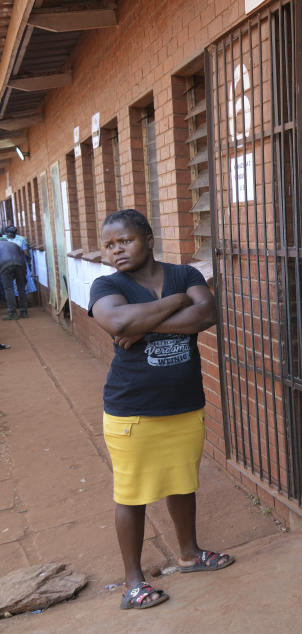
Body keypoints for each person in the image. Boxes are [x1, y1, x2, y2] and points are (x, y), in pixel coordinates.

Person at [88, 209, 234, 610]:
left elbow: (207, 313)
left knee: (182, 483)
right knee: (132, 495)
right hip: (132, 410)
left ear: (148, 238)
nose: (116, 251)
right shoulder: (107, 284)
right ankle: (132, 583)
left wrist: (145, 324)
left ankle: (189, 554)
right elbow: (117, 321)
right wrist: (176, 303)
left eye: (125, 241)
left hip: (184, 405)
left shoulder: (185, 274)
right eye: (109, 245)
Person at [0, 230, 28, 320]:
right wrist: (24, 273)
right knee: (21, 288)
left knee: (8, 289)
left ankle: (12, 313)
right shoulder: (14, 245)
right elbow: (22, 257)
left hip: (5, 266)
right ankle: (24, 312)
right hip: (20, 265)